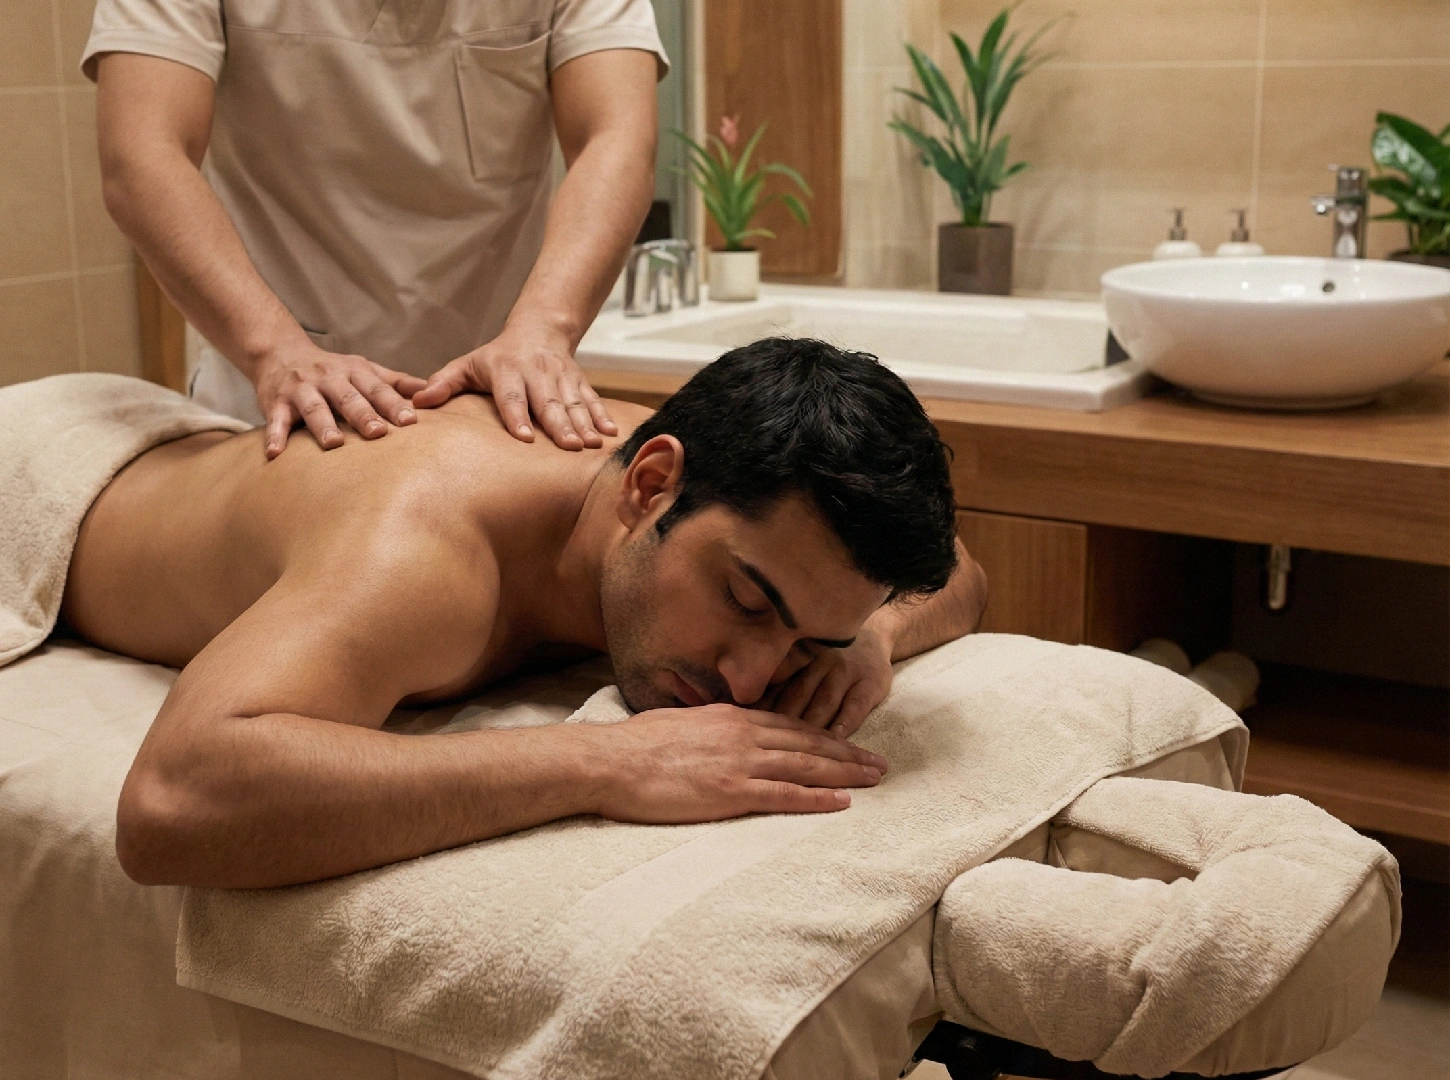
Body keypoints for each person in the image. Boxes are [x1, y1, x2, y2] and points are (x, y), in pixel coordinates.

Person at [60, 339, 987, 890]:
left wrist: (867, 639)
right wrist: (607, 762)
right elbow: (172, 803)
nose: (750, 683)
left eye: (803, 636)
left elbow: (962, 573)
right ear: (650, 485)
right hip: (50, 483)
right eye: (746, 600)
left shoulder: (726, 479)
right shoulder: (422, 555)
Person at [84, 0, 667, 456]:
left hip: (500, 402)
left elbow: (615, 138)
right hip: (277, 405)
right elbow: (143, 157)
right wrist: (275, 352)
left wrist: (544, 330)